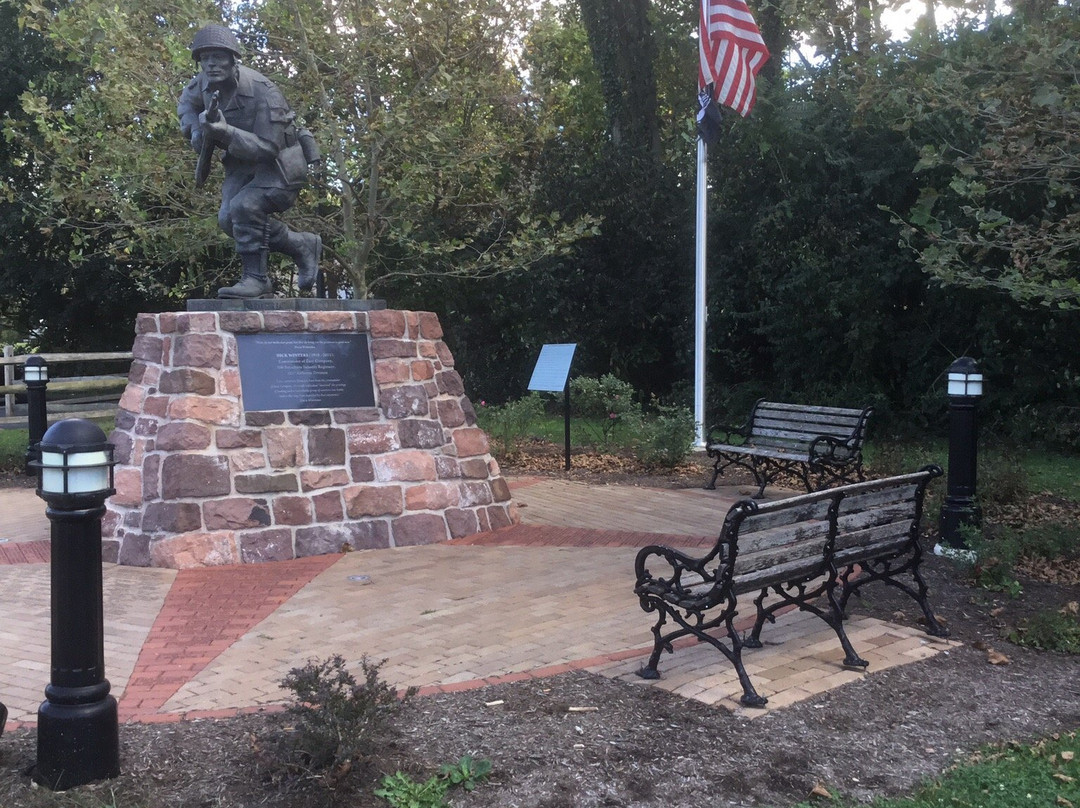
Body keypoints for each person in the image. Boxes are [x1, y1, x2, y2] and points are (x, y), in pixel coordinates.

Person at [178, 24, 322, 299]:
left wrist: (225, 132)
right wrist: (196, 131)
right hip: (240, 162)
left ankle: (256, 279)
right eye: (204, 58)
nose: (210, 64)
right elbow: (186, 107)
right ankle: (300, 244)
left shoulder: (263, 91)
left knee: (245, 207)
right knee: (228, 220)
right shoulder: (200, 86)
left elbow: (269, 148)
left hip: (280, 164)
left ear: (234, 60)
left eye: (218, 57)